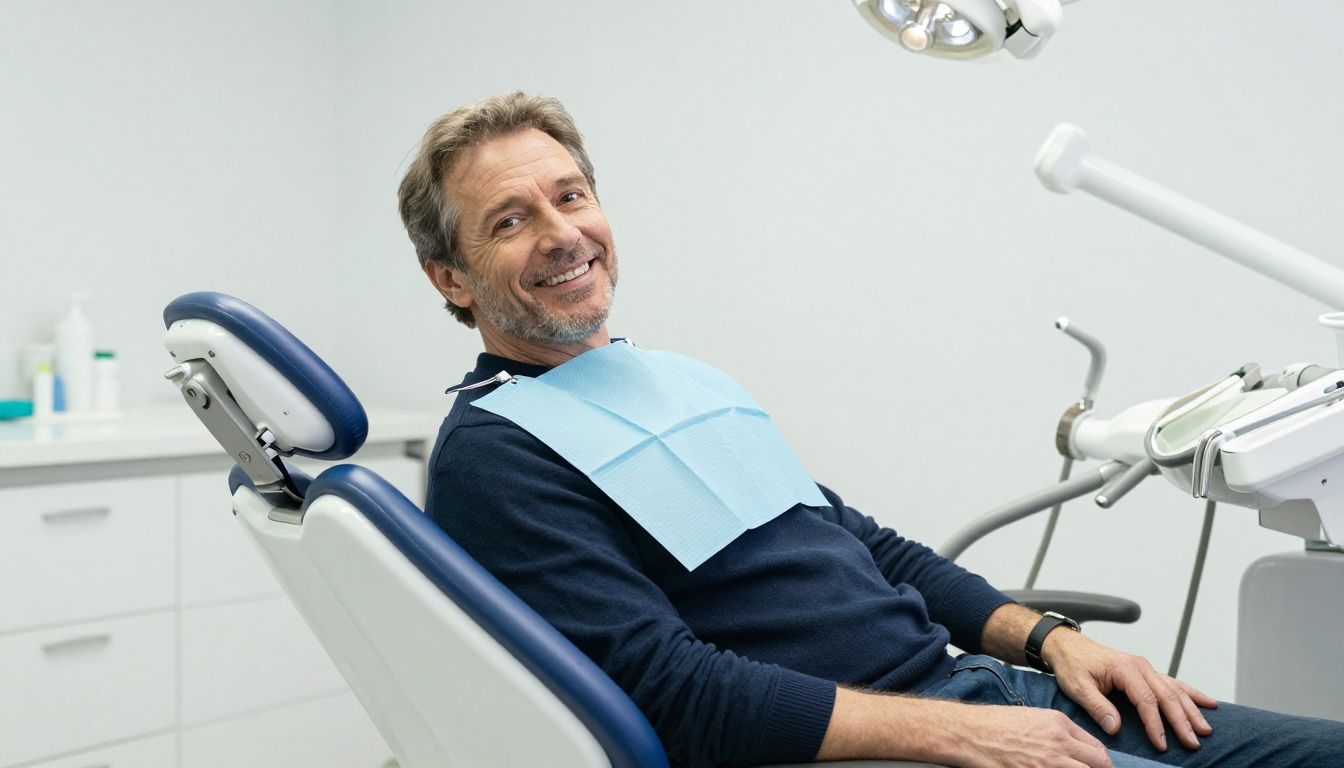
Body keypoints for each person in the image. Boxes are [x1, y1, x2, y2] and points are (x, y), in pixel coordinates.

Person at [396, 91, 1342, 768]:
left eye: (570, 197)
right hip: (887, 745)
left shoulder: (670, 380)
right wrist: (955, 732)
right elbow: (669, 691)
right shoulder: (498, 451)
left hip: (987, 695)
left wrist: (1053, 642)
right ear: (451, 276)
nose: (561, 234)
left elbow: (865, 545)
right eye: (510, 220)